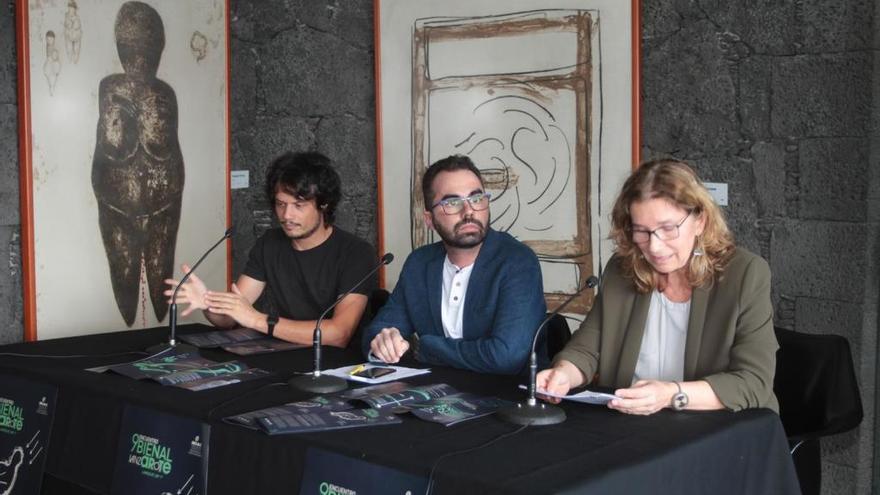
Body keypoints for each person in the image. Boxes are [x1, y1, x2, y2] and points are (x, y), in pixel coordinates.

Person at [537, 159, 778, 414]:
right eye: (641, 231)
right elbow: (587, 349)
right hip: (632, 425)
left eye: (668, 228)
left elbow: (754, 382)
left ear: (700, 221)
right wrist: (563, 374)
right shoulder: (621, 270)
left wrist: (670, 394)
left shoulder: (746, 274)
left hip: (718, 429)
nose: (654, 246)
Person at [165, 151, 377, 347]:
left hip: (341, 367)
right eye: (281, 204)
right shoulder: (270, 244)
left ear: (324, 205)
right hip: (288, 355)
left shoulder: (356, 253)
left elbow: (338, 334)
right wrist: (208, 304)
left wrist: (257, 320)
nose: (286, 216)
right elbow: (229, 319)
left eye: (299, 206)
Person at [364, 155, 546, 375]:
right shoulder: (419, 263)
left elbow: (506, 357)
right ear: (429, 220)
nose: (469, 211)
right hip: (435, 396)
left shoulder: (517, 261)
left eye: (477, 198)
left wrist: (425, 346)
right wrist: (383, 342)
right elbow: (379, 329)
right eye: (452, 203)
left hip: (506, 399)